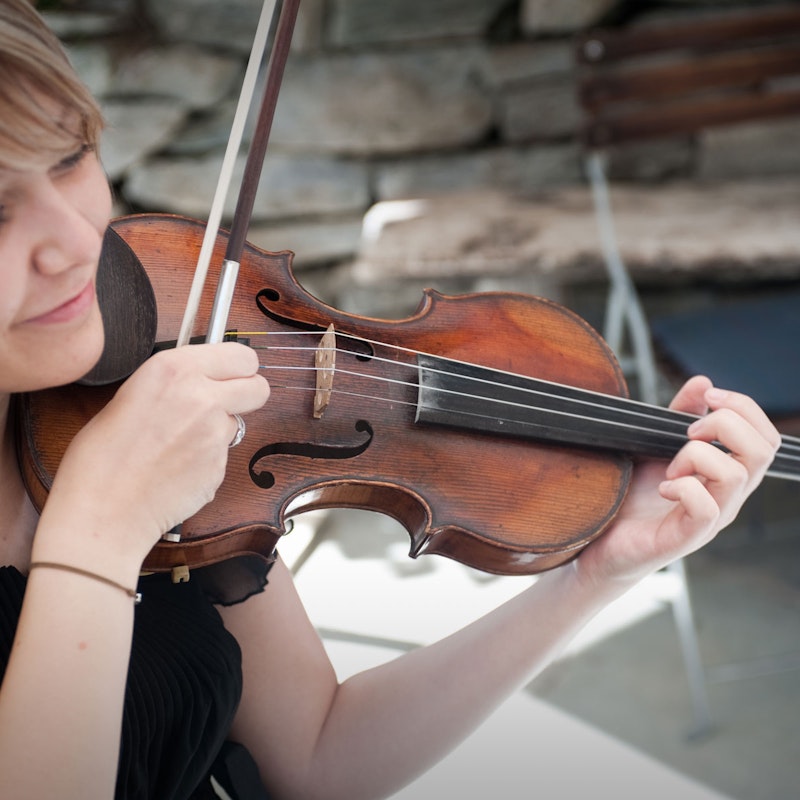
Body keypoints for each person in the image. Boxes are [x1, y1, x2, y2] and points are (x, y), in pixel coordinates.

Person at [0, 2, 781, 799]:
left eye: (71, 157)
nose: (73, 241)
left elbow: (316, 759)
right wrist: (98, 531)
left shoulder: (144, 382)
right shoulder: (128, 462)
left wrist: (595, 578)